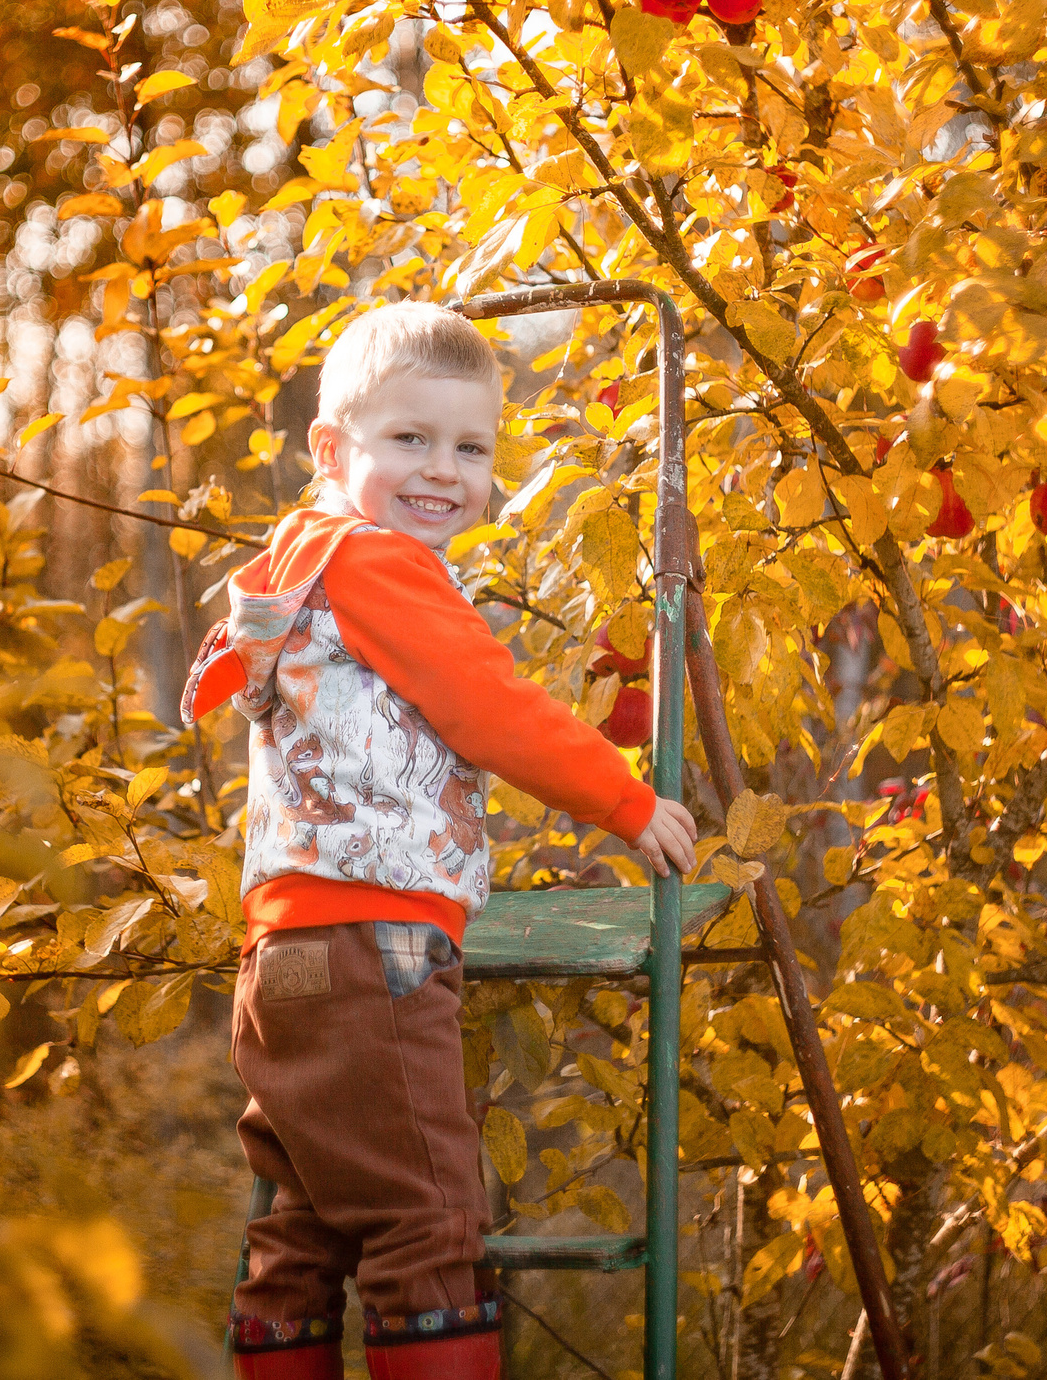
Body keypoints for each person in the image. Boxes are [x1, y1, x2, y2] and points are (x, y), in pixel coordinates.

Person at [182, 301, 700, 1380]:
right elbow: (487, 705)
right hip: (377, 945)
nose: (442, 471)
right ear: (332, 450)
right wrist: (627, 802)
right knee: (428, 1217)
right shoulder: (381, 563)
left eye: (469, 448)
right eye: (409, 440)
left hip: (281, 959)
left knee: (308, 1225)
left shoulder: (299, 560)